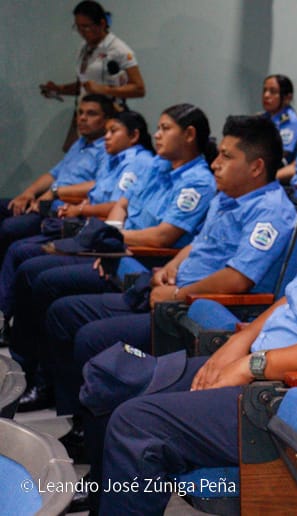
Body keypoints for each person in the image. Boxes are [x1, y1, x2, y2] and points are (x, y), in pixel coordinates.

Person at [85, 107, 297, 514]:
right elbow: (291, 302)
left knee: (137, 423)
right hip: (263, 376)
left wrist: (253, 365)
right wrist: (236, 347)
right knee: (116, 378)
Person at [43, 115, 296, 449]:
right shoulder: (228, 196)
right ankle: (84, 426)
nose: (215, 164)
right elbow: (198, 243)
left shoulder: (271, 210)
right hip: (171, 295)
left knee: (92, 339)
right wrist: (171, 266)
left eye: (226, 156)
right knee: (66, 312)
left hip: (194, 312)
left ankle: (94, 446)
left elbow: (237, 280)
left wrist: (177, 291)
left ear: (256, 166)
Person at [11, 103, 217, 412]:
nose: (157, 136)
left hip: (140, 260)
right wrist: (110, 236)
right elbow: (121, 204)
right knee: (32, 269)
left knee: (43, 280)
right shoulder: (158, 166)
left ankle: (47, 386)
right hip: (117, 251)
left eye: (165, 129)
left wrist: (113, 240)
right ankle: (32, 374)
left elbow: (163, 237)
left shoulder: (198, 181)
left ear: (189, 135)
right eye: (157, 128)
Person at [0, 110, 155, 321]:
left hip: (107, 238)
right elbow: (107, 198)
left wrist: (81, 210)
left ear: (134, 136)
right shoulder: (115, 159)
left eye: (113, 131)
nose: (106, 137)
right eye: (107, 131)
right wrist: (81, 206)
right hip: (92, 229)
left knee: (25, 255)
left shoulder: (139, 162)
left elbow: (116, 205)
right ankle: (7, 320)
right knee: (20, 250)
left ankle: (10, 325)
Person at [0, 94, 114, 263]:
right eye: (80, 112)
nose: (82, 118)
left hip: (63, 210)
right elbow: (53, 174)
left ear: (106, 120)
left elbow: (99, 185)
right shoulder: (80, 143)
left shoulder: (107, 148)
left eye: (91, 114)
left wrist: (55, 193)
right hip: (46, 201)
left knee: (10, 228)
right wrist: (28, 193)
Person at [39, 1, 146, 150]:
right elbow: (85, 85)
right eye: (78, 27)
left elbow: (139, 88)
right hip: (84, 113)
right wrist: (59, 89)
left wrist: (104, 90)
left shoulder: (118, 50)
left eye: (86, 27)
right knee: (75, 156)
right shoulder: (84, 48)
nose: (82, 32)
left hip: (107, 116)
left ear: (101, 24)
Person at [262, 74, 297, 161]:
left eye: (272, 92)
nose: (266, 95)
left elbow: (280, 154)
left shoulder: (290, 122)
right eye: (264, 90)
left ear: (287, 98)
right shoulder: (263, 117)